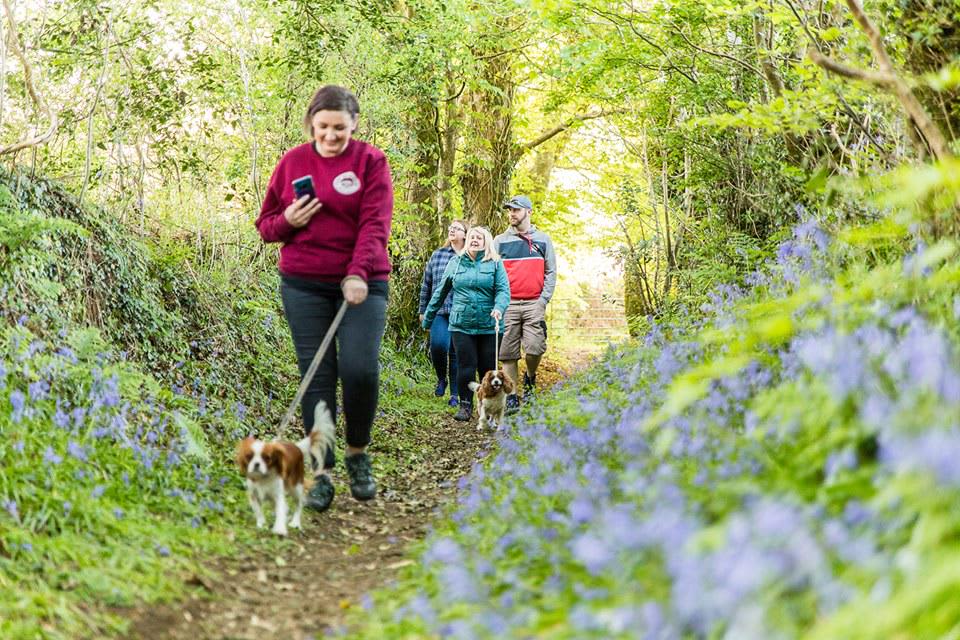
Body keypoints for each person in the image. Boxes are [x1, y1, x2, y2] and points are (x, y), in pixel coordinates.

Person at [255, 85, 392, 512]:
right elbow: (266, 226)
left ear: (354, 126)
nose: (331, 136)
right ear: (311, 125)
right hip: (304, 283)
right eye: (323, 128)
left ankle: (357, 454)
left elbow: (375, 224)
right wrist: (288, 220)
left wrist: (357, 272)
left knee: (359, 369)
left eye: (340, 129)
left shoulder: (371, 162)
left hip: (362, 283)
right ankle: (323, 473)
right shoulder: (293, 162)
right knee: (316, 377)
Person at [421, 226, 510, 422]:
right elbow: (440, 292)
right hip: (461, 323)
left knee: (488, 368)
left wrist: (499, 307)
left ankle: (487, 408)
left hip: (489, 323)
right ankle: (465, 406)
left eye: (479, 238)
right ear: (467, 240)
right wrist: (428, 317)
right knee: (466, 366)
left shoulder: (495, 263)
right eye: (472, 237)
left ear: (486, 242)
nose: (475, 240)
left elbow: (504, 291)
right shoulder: (455, 262)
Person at [493, 195, 557, 413]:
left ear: (528, 212)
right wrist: (497, 303)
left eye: (516, 210)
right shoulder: (499, 241)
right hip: (508, 305)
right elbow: (493, 273)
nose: (511, 214)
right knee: (507, 353)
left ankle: (530, 377)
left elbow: (551, 272)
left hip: (534, 304)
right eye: (509, 210)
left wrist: (543, 301)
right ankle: (511, 396)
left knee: (535, 349)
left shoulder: (543, 240)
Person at [418, 220, 469, 408]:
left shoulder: (470, 257)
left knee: (456, 353)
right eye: (450, 228)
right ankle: (441, 378)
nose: (451, 230)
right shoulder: (438, 255)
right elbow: (427, 284)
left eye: (456, 228)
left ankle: (455, 394)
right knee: (438, 346)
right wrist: (423, 310)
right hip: (439, 311)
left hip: (461, 313)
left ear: (465, 234)